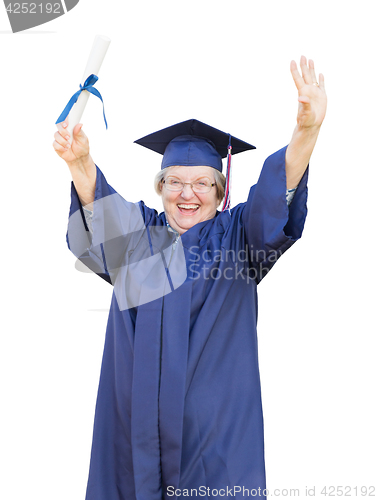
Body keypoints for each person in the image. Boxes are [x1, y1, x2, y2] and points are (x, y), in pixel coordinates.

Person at [53, 56, 327, 500]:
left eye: (202, 183)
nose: (187, 194)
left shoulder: (239, 240)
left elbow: (274, 200)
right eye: (175, 182)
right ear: (160, 188)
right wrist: (81, 161)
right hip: (131, 441)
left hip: (213, 446)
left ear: (220, 193)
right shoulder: (137, 239)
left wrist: (306, 133)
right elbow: (97, 210)